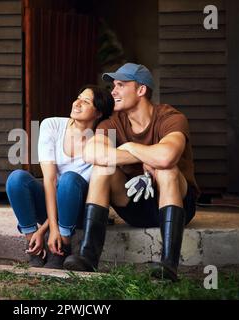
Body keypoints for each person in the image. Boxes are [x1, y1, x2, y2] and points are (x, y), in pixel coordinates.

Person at [63, 63, 200, 281]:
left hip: (178, 203)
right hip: (134, 206)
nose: (113, 91)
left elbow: (166, 157)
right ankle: (87, 257)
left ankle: (169, 265)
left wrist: (130, 147)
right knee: (102, 167)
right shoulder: (112, 122)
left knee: (166, 169)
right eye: (113, 86)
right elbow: (91, 153)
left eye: (120, 85)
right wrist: (145, 155)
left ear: (141, 90)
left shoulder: (171, 117)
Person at [6, 85, 114, 269]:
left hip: (77, 210)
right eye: (78, 97)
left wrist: (53, 230)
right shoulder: (52, 125)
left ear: (98, 113)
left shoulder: (100, 141)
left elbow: (71, 187)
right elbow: (50, 179)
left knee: (69, 179)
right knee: (17, 179)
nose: (77, 103)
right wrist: (44, 230)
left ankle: (62, 246)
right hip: (53, 205)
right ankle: (33, 243)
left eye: (86, 101)